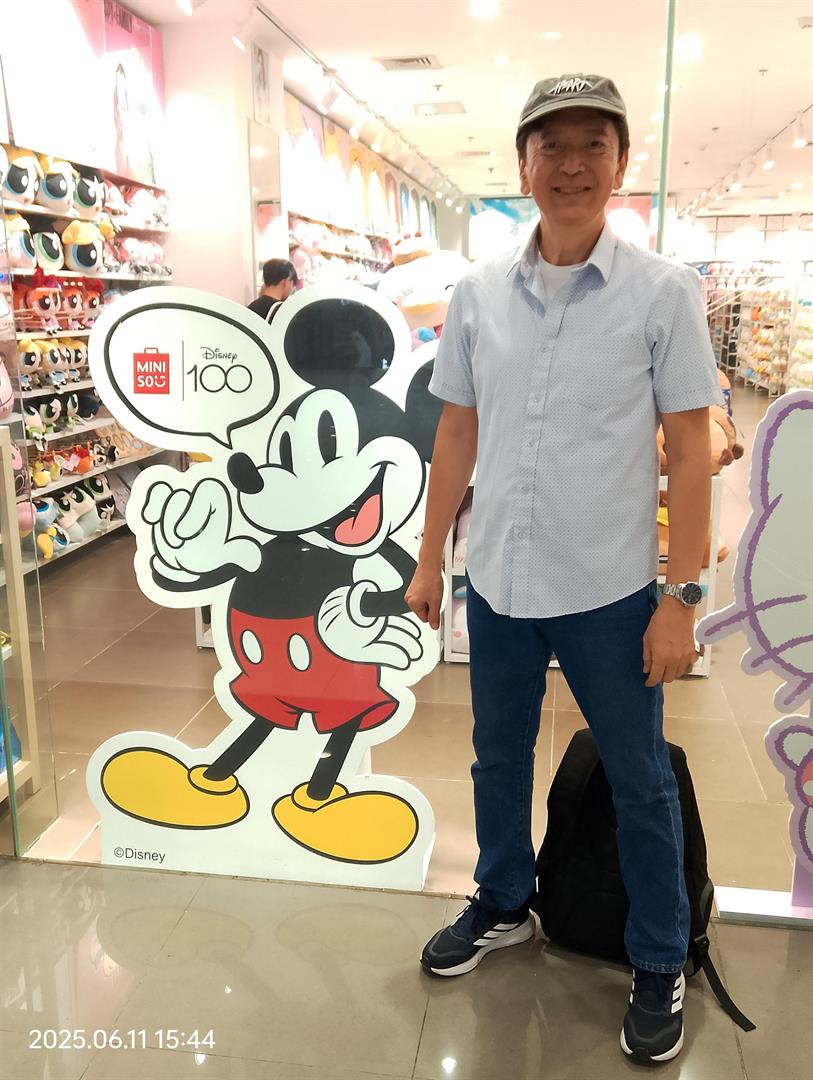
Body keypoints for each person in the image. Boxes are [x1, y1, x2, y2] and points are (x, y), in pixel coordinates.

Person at [405, 73, 723, 1065]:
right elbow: (457, 432)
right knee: (495, 756)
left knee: (638, 777)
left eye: (593, 144)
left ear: (621, 163)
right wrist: (429, 556)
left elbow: (688, 449)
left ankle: (659, 955)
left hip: (609, 590)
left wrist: (681, 598)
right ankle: (504, 899)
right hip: (500, 579)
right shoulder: (477, 294)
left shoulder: (662, 292)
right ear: (523, 164)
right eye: (553, 145)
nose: (572, 164)